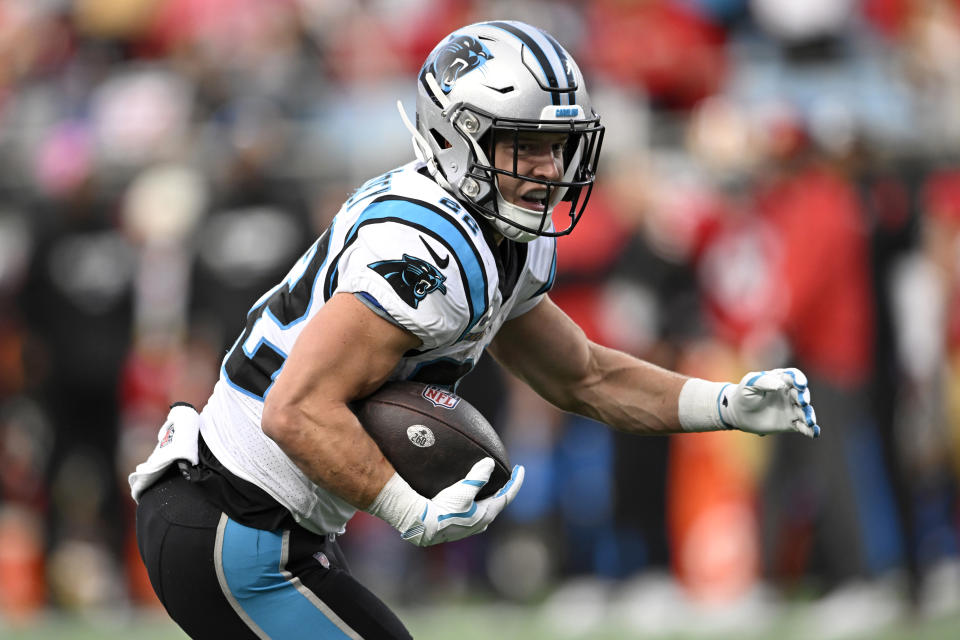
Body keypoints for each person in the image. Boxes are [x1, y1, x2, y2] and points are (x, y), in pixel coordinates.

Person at [129, 20, 820, 640]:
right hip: (230, 523)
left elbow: (584, 375)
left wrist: (724, 404)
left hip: (267, 527)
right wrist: (409, 511)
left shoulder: (495, 230)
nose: (548, 172)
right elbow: (295, 408)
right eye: (524, 147)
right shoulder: (424, 250)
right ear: (456, 138)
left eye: (558, 148)